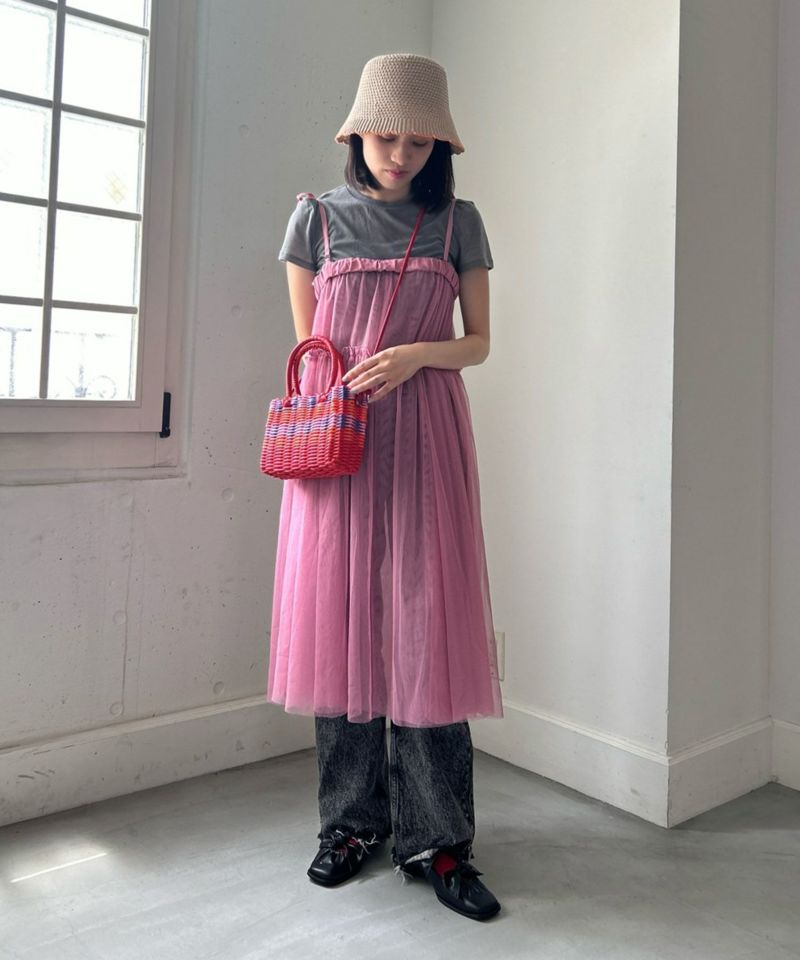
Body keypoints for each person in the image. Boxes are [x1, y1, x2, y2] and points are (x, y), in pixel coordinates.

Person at [268, 53, 504, 921]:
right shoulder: (315, 220)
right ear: (357, 134)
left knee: (426, 627)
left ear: (439, 145)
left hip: (428, 438)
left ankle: (439, 843)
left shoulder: (457, 223)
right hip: (340, 446)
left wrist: (414, 357)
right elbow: (313, 351)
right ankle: (350, 826)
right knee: (341, 630)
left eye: (419, 141)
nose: (400, 155)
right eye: (385, 137)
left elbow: (478, 343)